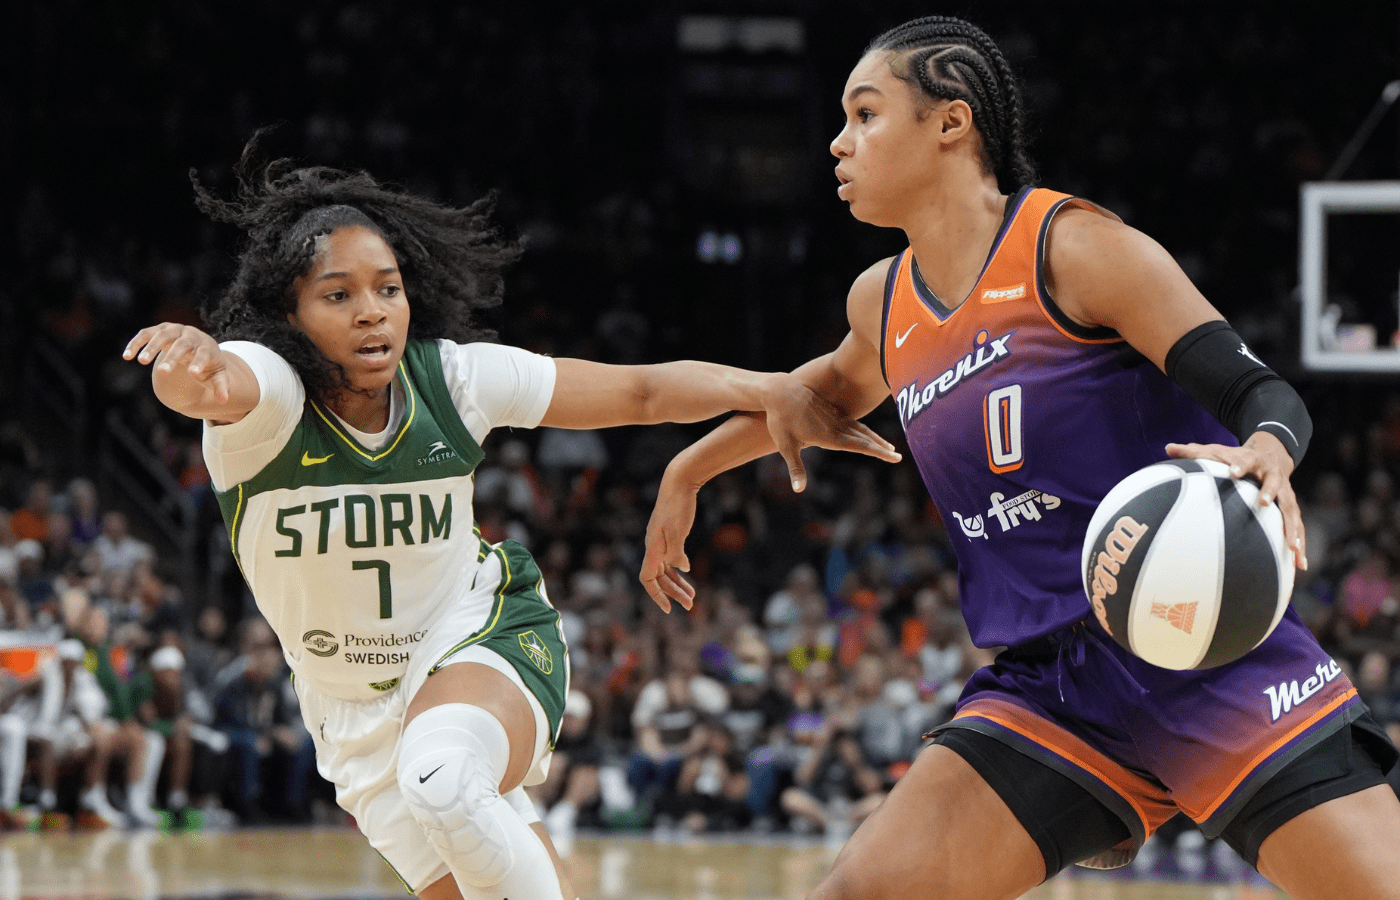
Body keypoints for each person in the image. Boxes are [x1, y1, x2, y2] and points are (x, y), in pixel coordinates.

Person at [641, 15, 1400, 900]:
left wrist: (1269, 449)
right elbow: (807, 402)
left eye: (865, 114)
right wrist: (685, 470)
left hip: (1209, 653)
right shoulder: (881, 304)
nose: (839, 143)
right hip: (1057, 683)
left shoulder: (1073, 250)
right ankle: (1102, 793)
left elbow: (1258, 391)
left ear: (951, 123)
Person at [124, 138, 898, 900]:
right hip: (349, 714)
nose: (372, 313)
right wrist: (189, 364)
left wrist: (771, 390)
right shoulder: (274, 403)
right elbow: (219, 384)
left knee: (445, 777)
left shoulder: (454, 381)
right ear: (286, 315)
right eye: (338, 295)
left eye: (387, 289)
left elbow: (641, 394)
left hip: (477, 634)